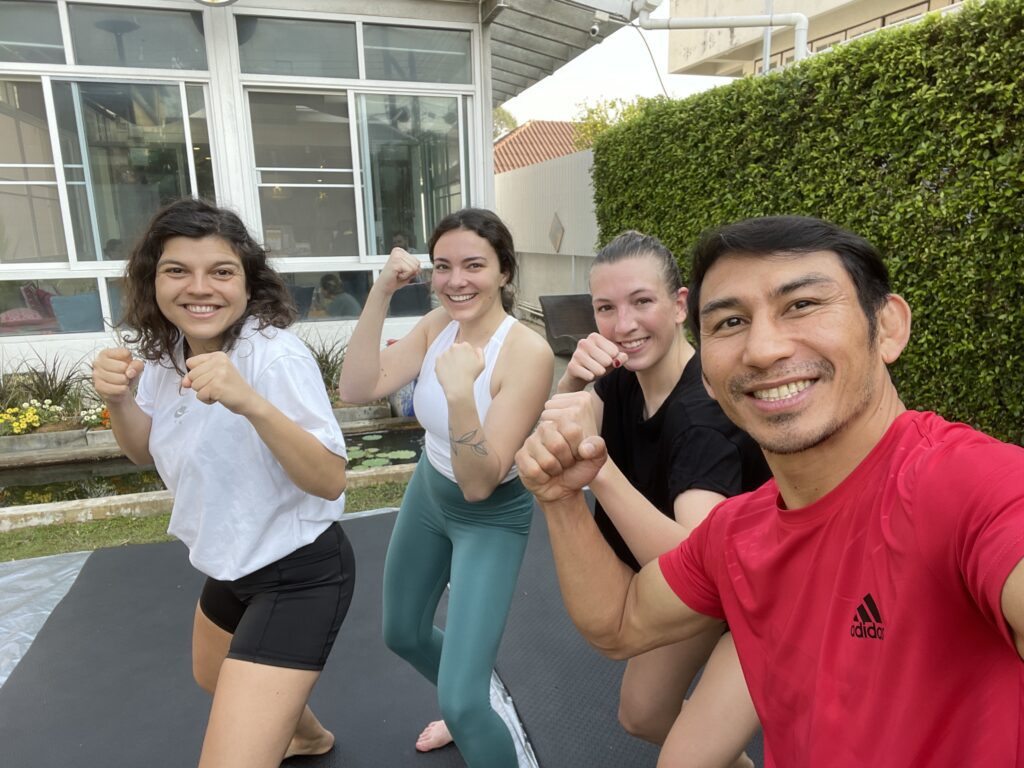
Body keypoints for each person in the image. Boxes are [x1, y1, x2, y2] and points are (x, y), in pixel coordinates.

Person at [516, 215, 1024, 767]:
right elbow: (617, 622)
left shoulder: (971, 488)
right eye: (731, 322)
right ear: (707, 372)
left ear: (889, 327)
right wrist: (562, 497)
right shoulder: (738, 534)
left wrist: (601, 475)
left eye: (802, 305)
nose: (762, 349)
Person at [92, 198, 355, 768]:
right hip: (230, 564)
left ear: (247, 281)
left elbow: (330, 479)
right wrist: (118, 399)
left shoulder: (274, 356)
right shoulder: (167, 352)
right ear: (152, 280)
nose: (198, 288)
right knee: (211, 675)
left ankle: (286, 727)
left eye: (221, 271)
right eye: (177, 270)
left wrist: (248, 402)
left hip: (298, 571)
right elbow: (142, 450)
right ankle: (308, 735)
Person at [338, 208, 553, 767]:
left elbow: (481, 483)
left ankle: (471, 711)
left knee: (459, 703)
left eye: (474, 265)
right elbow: (357, 387)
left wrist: (461, 394)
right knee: (403, 633)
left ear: (505, 271)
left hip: (491, 517)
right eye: (443, 267)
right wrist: (381, 291)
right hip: (429, 494)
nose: (456, 281)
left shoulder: (526, 353)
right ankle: (481, 706)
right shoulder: (439, 325)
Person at [547, 230, 770, 766]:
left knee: (675, 749)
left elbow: (698, 566)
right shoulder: (626, 377)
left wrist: (600, 475)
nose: (623, 325)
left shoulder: (701, 421)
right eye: (606, 308)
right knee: (643, 714)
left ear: (678, 305)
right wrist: (574, 376)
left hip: (761, 587)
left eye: (641, 302)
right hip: (715, 583)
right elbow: (558, 429)